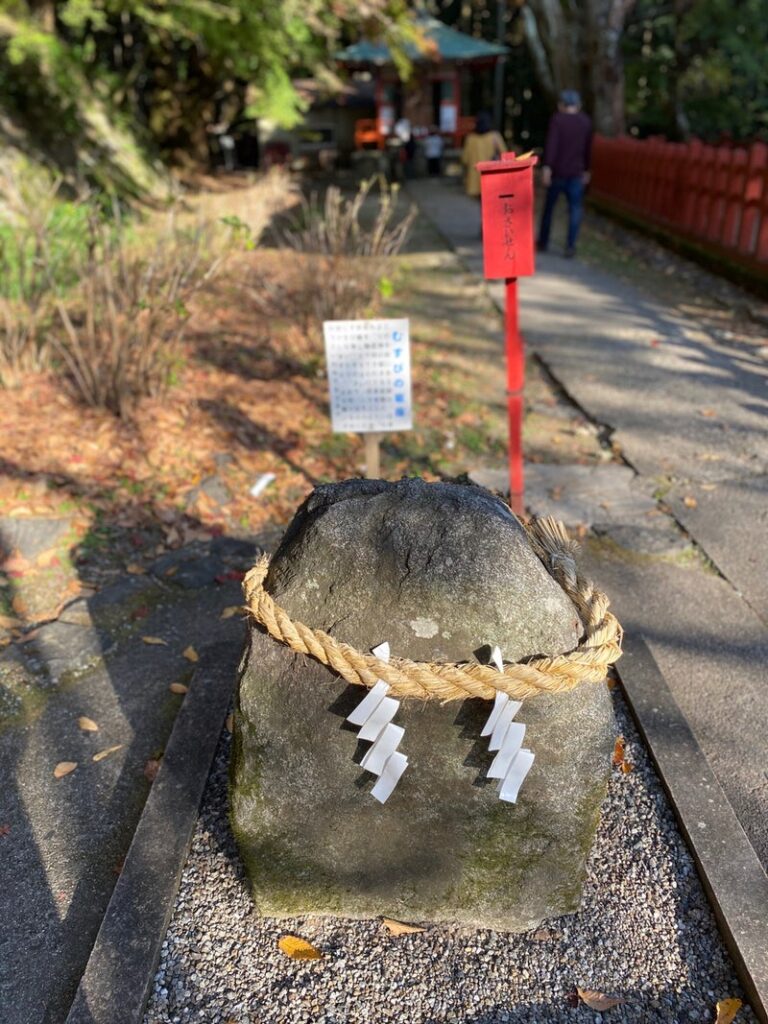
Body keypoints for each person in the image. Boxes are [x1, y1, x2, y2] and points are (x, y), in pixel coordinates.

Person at [537, 90, 593, 257]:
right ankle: (570, 245)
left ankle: (543, 241)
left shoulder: (557, 120)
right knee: (575, 210)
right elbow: (588, 149)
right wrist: (587, 170)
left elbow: (552, 145)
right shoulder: (585, 122)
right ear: (578, 105)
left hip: (558, 172)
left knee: (549, 208)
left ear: (561, 105)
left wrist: (547, 167)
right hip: (576, 171)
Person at [461, 112, 506, 197]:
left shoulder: (470, 138)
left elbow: (465, 159)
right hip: (491, 174)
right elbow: (504, 154)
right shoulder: (495, 136)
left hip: (474, 178)